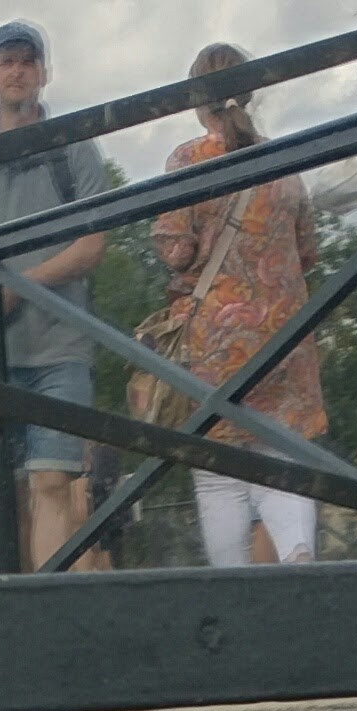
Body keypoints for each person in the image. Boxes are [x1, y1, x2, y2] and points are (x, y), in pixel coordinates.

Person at [0, 19, 126, 567]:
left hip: (61, 345)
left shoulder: (76, 149)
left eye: (27, 60)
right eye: (6, 61)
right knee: (8, 494)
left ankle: (44, 613)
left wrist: (16, 289)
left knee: (51, 484)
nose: (17, 71)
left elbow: (92, 248)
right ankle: (19, 615)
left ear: (44, 72)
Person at [139, 46, 331, 568]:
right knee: (282, 459)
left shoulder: (188, 160)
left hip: (215, 347)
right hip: (285, 340)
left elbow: (176, 250)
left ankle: (233, 589)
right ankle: (296, 551)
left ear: (196, 101)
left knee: (220, 477)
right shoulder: (284, 162)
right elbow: (308, 250)